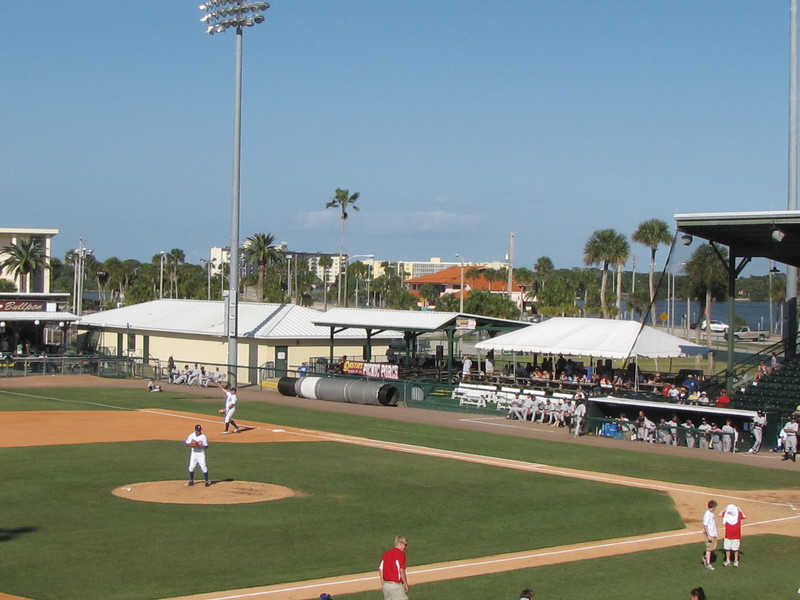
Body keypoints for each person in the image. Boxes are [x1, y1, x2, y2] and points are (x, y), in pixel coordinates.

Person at [378, 536, 409, 600]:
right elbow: (401, 570)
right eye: (405, 545)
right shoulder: (400, 554)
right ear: (400, 543)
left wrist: (383, 583)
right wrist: (405, 583)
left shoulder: (386, 554)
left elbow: (381, 568)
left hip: (386, 586)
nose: (406, 547)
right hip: (395, 586)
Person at [719, 503, 746, 567]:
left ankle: (735, 561)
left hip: (733, 535)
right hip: (730, 535)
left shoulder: (730, 515)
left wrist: (725, 509)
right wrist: (740, 510)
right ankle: (729, 561)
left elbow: (720, 514)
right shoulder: (736, 515)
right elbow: (744, 516)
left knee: (735, 549)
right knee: (728, 548)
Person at [702, 499, 718, 570]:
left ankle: (705, 558)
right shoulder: (707, 514)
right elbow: (705, 525)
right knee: (709, 549)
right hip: (709, 534)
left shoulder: (711, 513)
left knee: (713, 548)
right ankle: (708, 563)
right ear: (713, 507)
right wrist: (708, 535)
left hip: (713, 533)